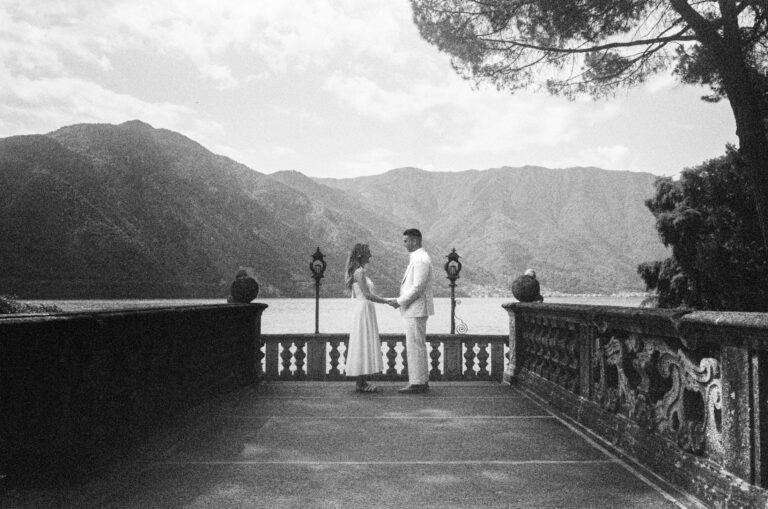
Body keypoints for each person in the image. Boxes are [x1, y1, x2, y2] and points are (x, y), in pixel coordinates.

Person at [388, 228, 434, 394]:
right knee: (415, 345)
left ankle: (419, 383)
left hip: (416, 310)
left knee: (416, 346)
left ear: (415, 240)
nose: (404, 244)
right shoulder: (418, 258)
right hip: (413, 310)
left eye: (406, 240)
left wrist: (399, 301)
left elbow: (418, 288)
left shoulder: (421, 259)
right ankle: (418, 381)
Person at [345, 243, 389, 393]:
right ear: (361, 255)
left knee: (363, 342)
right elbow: (368, 294)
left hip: (364, 309)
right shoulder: (359, 272)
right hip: (364, 308)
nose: (370, 255)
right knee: (362, 343)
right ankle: (360, 383)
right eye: (368, 253)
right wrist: (387, 301)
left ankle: (362, 381)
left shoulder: (358, 271)